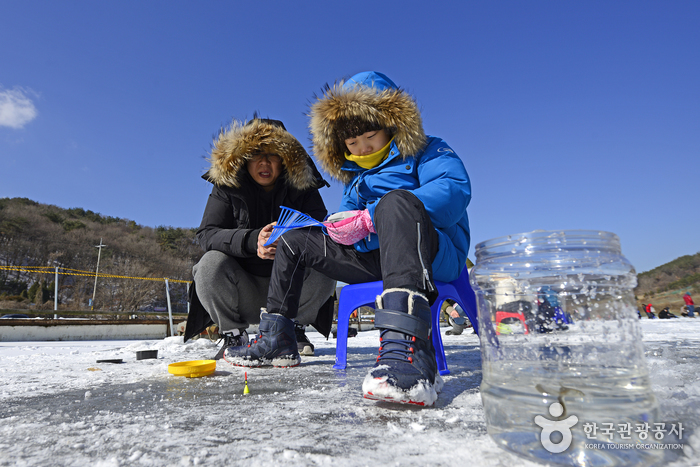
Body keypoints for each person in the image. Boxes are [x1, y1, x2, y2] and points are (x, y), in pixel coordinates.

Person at [224, 71, 472, 406]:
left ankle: (408, 347)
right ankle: (277, 337)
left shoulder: (427, 150)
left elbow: (453, 192)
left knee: (396, 202)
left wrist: (375, 218)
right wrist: (341, 228)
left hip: (429, 251)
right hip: (378, 258)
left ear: (391, 123)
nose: (362, 147)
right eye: (353, 143)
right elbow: (349, 224)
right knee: (296, 240)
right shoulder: (355, 180)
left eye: (370, 135)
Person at [184, 117, 337, 359]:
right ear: (244, 157)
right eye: (256, 154)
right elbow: (207, 234)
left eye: (273, 154)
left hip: (291, 292)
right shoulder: (227, 186)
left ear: (286, 158)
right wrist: (252, 240)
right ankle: (233, 333)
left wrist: (291, 243)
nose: (264, 162)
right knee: (209, 264)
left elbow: (321, 231)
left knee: (326, 261)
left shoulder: (304, 188)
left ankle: (293, 329)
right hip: (242, 290)